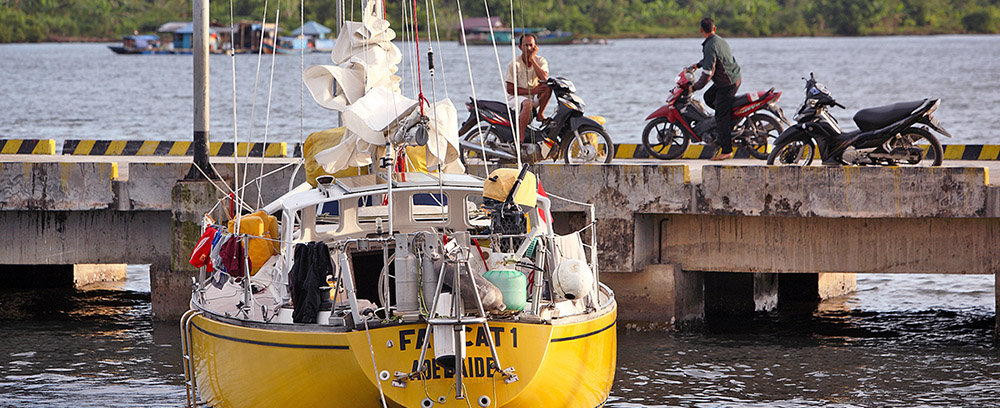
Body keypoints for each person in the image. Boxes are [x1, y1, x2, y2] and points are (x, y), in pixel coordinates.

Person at [690, 17, 742, 161]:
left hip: (727, 84)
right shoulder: (719, 40)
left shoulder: (709, 45)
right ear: (715, 28)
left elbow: (708, 74)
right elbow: (712, 59)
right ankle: (728, 117)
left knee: (721, 116)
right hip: (733, 78)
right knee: (708, 97)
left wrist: (694, 87)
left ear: (701, 30)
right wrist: (697, 65)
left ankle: (726, 150)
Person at [505, 34, 551, 143]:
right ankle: (520, 137)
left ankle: (540, 114)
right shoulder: (514, 64)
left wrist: (532, 59)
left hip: (533, 96)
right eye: (525, 45)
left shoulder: (541, 61)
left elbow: (544, 78)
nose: (529, 48)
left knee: (548, 87)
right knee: (528, 104)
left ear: (536, 47)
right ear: (520, 47)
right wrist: (532, 91)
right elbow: (510, 89)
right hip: (516, 98)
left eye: (531, 45)